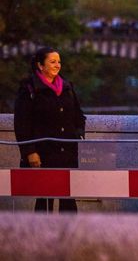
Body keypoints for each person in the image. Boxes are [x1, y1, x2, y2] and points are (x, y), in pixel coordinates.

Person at [14, 47, 86, 213]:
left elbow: (79, 115)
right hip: (43, 153)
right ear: (40, 65)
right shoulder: (29, 89)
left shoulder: (67, 87)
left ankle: (70, 236)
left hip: (67, 152)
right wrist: (29, 151)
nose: (57, 65)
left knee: (68, 200)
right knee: (44, 200)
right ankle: (42, 236)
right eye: (53, 62)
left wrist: (79, 133)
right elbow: (22, 123)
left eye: (59, 61)